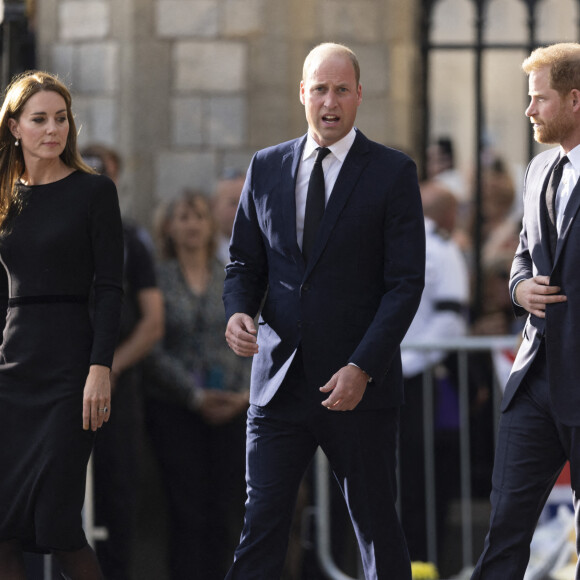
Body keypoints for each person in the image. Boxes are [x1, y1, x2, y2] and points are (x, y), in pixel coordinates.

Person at [223, 42, 425, 579]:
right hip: (278, 383)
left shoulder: (392, 172)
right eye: (319, 89)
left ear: (359, 95)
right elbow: (244, 261)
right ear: (302, 94)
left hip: (358, 386)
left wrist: (363, 367)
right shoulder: (265, 167)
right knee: (261, 524)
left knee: (376, 527)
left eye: (341, 89)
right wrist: (239, 311)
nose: (329, 101)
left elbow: (405, 285)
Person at [0, 72, 124, 579]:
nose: (53, 129)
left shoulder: (95, 191)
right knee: (3, 525)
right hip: (12, 369)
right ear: (14, 128)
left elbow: (110, 287)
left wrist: (101, 367)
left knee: (57, 522)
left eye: (61, 118)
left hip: (72, 370)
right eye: (39, 119)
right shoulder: (4, 195)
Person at [471, 42, 580, 579]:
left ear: (576, 99)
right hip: (534, 380)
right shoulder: (539, 170)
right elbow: (521, 255)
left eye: (539, 99)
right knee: (504, 532)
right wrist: (519, 292)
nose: (529, 110)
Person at [144, 191, 250, 580]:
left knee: (227, 509)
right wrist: (193, 396)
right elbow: (152, 348)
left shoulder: (231, 273)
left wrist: (243, 395)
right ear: (169, 226)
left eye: (200, 216)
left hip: (232, 408)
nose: (192, 225)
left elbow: (253, 336)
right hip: (175, 408)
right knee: (186, 509)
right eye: (183, 216)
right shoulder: (157, 277)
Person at [81, 144, 164, 580]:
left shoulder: (132, 241)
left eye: (104, 175)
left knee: (118, 498)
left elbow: (152, 322)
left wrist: (108, 367)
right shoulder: (57, 231)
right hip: (63, 389)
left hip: (118, 395)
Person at [399, 180, 469, 563]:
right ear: (448, 216)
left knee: (415, 482)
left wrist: (396, 362)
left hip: (408, 380)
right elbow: (452, 322)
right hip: (408, 377)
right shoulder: (442, 252)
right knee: (416, 485)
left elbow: (450, 323)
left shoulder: (435, 251)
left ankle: (417, 566)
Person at [212, 168, 246, 266]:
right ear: (214, 205)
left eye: (246, 203)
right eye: (233, 203)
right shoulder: (201, 253)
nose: (241, 211)